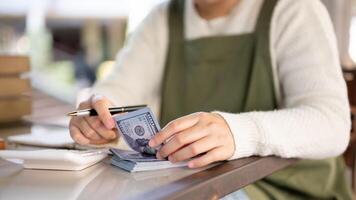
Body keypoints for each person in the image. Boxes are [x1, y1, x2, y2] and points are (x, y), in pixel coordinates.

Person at [69, 0, 353, 199]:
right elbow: (119, 91)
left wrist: (237, 131)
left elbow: (331, 123)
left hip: (290, 189)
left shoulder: (295, 9)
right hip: (194, 183)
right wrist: (100, 118)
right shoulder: (163, 18)